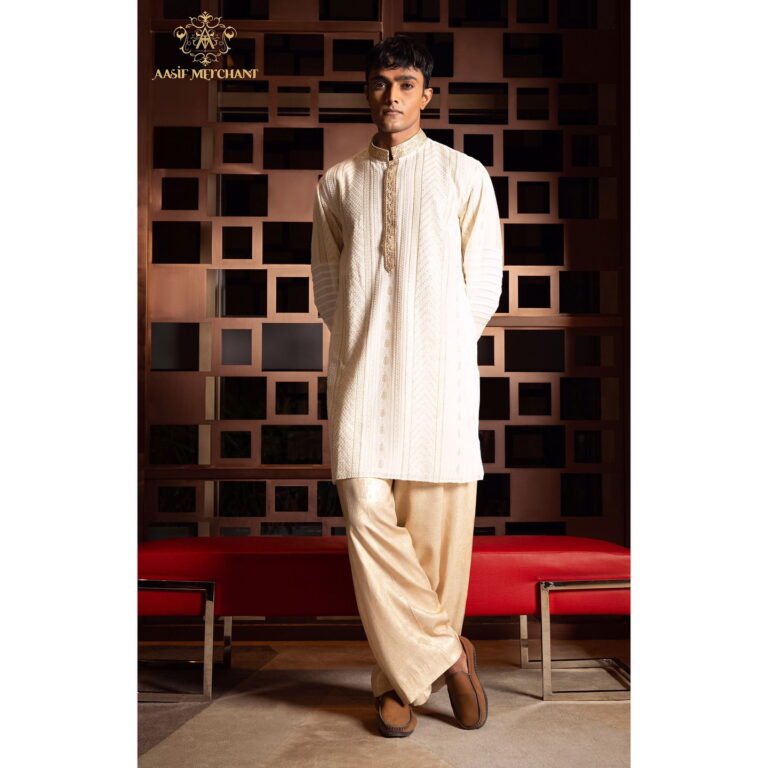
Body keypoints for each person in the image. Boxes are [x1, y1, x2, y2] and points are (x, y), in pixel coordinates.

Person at [311, 35, 503, 737]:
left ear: (428, 94)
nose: (391, 95)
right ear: (367, 92)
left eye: (406, 83)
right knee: (366, 510)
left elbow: (483, 282)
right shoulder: (337, 183)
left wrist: (440, 350)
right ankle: (448, 655)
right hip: (363, 379)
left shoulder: (463, 175)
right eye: (380, 82)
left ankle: (398, 683)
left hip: (440, 384)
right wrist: (363, 341)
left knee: (435, 541)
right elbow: (328, 283)